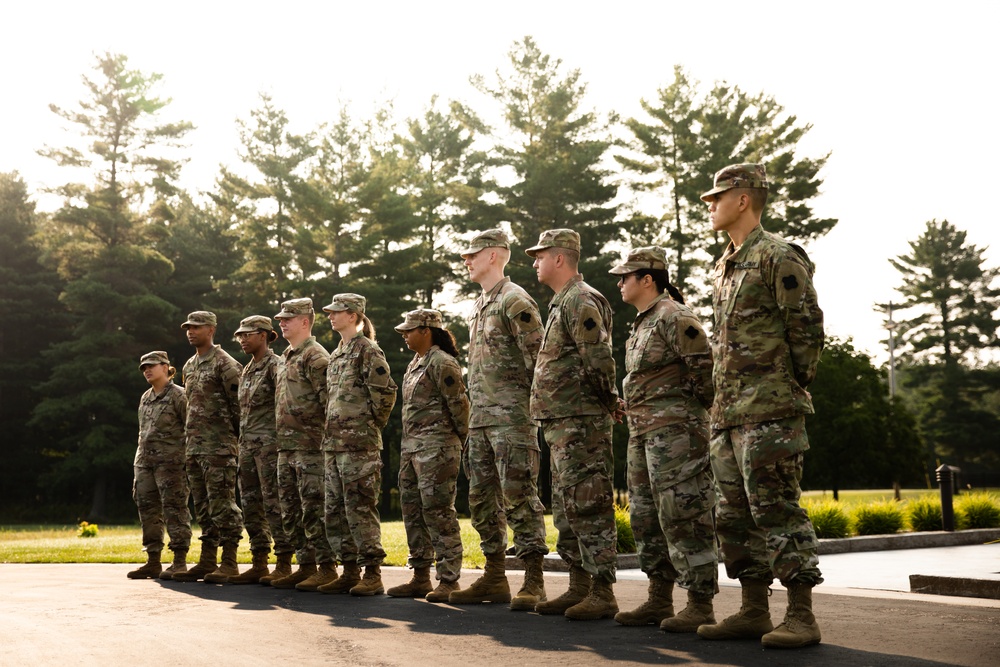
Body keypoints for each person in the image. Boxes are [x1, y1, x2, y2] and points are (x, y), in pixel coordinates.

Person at [696, 163, 825, 648]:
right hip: (728, 413)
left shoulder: (777, 256)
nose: (710, 206)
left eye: (716, 198)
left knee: (776, 508)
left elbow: (807, 330)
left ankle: (801, 615)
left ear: (743, 199)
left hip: (770, 410)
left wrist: (786, 385)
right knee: (732, 514)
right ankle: (753, 609)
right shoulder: (725, 263)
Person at [608, 247, 719, 631]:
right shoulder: (642, 322)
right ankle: (659, 598)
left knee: (682, 512)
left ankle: (700, 603)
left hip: (676, 433)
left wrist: (689, 416)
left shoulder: (675, 316)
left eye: (625, 277)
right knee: (645, 515)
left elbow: (705, 371)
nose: (620, 283)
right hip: (642, 431)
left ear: (648, 279)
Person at [449, 229, 548, 610]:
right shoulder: (479, 305)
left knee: (520, 496)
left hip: (512, 419)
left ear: (494, 255)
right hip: (482, 419)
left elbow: (538, 360)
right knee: (481, 499)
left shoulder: (514, 300)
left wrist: (530, 411)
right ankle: (494, 576)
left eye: (473, 254)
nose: (467, 261)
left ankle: (534, 581)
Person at [526, 229, 622, 620]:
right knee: (569, 507)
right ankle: (579, 585)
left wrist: (607, 399)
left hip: (582, 420)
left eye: (540, 255)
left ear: (560, 259)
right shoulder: (560, 302)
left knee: (590, 502)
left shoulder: (581, 300)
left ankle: (602, 590)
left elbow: (598, 358)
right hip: (562, 420)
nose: (535, 263)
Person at [319, 293, 397, 596]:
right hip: (334, 445)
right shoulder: (337, 353)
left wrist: (369, 426)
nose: (331, 316)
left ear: (353, 315)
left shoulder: (367, 350)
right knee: (335, 510)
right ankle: (349, 570)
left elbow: (385, 394)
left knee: (360, 508)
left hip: (359, 446)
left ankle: (372, 572)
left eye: (337, 312)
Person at [389, 308, 469, 602]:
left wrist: (458, 442)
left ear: (426, 330)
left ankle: (449, 579)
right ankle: (420, 576)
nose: (405, 335)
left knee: (438, 512)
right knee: (412, 511)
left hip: (437, 450)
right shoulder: (415, 363)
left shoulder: (442, 363)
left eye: (409, 330)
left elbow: (460, 407)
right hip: (412, 451)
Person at [172, 311, 244, 584]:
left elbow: (239, 407)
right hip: (195, 448)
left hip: (219, 448)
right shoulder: (189, 365)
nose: (191, 332)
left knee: (223, 505)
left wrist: (233, 441)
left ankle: (230, 561)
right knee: (202, 506)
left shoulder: (226, 364)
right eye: (188, 328)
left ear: (211, 329)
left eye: (197, 327)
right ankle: (207, 560)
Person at [271, 297, 337, 591]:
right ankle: (306, 565)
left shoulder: (316, 357)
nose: (282, 322)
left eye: (288, 318)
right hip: (287, 447)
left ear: (306, 322)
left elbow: (329, 405)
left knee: (314, 509)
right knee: (291, 509)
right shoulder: (287, 355)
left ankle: (326, 567)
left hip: (311, 448)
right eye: (281, 318)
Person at [228, 315, 294, 585]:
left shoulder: (275, 366)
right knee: (251, 505)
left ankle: (284, 562)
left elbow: (286, 404)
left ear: (264, 335)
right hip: (247, 447)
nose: (242, 339)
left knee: (274, 504)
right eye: (240, 335)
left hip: (270, 447)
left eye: (248, 334)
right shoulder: (247, 369)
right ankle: (259, 562)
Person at [128, 351, 192, 580]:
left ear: (166, 367)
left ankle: (179, 561)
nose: (147, 370)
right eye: (143, 367)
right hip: (144, 463)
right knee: (148, 511)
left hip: (171, 465)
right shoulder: (145, 397)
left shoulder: (179, 396)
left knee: (175, 510)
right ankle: (153, 561)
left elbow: (191, 429)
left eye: (151, 365)